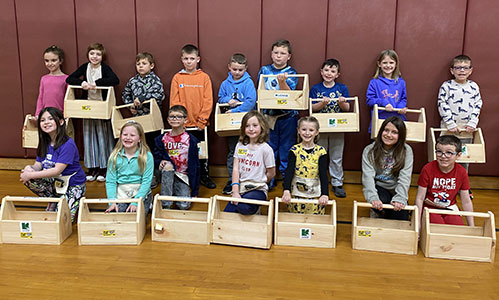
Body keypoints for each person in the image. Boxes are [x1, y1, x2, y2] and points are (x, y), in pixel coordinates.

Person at [20, 107, 86, 222]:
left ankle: (70, 200)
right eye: (42, 120)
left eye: (50, 119)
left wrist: (30, 175)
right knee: (30, 177)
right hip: (55, 183)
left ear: (60, 122)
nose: (46, 122)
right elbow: (38, 164)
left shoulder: (68, 144)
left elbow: (57, 170)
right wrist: (29, 169)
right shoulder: (44, 142)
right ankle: (53, 199)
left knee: (63, 220)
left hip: (72, 185)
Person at [66, 43, 119, 182]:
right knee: (89, 137)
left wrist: (97, 83)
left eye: (98, 54)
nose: (94, 57)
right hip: (87, 107)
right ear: (88, 55)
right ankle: (92, 168)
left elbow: (115, 80)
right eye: (92, 54)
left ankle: (105, 167)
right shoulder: (85, 67)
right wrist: (81, 83)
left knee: (103, 137)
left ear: (102, 56)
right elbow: (69, 79)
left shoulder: (105, 68)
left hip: (101, 107)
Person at [169, 44, 215, 189]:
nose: (189, 61)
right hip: (183, 125)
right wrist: (179, 121)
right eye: (186, 59)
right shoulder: (177, 78)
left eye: (192, 58)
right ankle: (186, 177)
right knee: (184, 153)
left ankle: (204, 175)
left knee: (202, 152)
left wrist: (202, 120)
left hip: (200, 125)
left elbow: (208, 100)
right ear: (182, 60)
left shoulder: (204, 77)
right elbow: (174, 101)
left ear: (198, 59)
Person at [437, 54, 482, 199]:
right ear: (452, 70)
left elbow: (477, 105)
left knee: (463, 160)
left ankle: (463, 188)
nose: (461, 70)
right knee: (444, 157)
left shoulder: (474, 87)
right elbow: (442, 104)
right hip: (448, 131)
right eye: (458, 68)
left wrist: (472, 123)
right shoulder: (446, 86)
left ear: (470, 70)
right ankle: (441, 186)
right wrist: (450, 123)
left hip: (466, 133)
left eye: (465, 68)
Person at [257, 39, 298, 188]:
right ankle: (270, 179)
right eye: (276, 53)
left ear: (289, 56)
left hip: (287, 117)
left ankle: (287, 181)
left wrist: (282, 82)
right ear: (271, 54)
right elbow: (260, 93)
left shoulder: (291, 73)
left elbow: (290, 96)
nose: (279, 56)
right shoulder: (265, 71)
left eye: (283, 53)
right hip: (269, 116)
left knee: (287, 148)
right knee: (269, 148)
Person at [310, 58, 350, 198]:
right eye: (326, 70)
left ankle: (337, 183)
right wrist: (321, 104)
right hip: (320, 128)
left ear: (337, 74)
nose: (329, 73)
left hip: (337, 128)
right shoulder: (315, 88)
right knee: (320, 154)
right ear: (321, 72)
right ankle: (318, 181)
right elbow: (312, 108)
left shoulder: (342, 88)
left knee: (336, 156)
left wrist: (342, 102)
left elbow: (347, 108)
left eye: (332, 71)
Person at [218, 53, 257, 194]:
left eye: (240, 70)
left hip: (247, 124)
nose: (237, 72)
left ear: (246, 69)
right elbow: (220, 98)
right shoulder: (225, 83)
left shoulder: (248, 83)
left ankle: (248, 180)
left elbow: (251, 101)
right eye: (234, 69)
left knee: (250, 151)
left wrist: (236, 110)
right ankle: (232, 180)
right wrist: (228, 100)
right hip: (230, 125)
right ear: (229, 67)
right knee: (233, 152)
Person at [414, 135, 474, 227]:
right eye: (439, 152)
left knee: (457, 229)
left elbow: (466, 201)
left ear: (458, 155)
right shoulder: (427, 169)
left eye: (449, 153)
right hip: (430, 208)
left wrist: (471, 226)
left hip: (449, 208)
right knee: (438, 228)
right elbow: (420, 198)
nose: (443, 156)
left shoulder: (461, 172)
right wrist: (417, 224)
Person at [361, 116, 413, 220]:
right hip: (379, 187)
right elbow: (368, 177)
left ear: (400, 135)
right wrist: (373, 198)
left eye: (394, 132)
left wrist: (400, 198)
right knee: (382, 202)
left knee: (400, 217)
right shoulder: (369, 150)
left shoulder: (406, 150)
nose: (389, 135)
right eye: (386, 130)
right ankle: (379, 212)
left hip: (396, 188)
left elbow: (405, 177)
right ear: (381, 131)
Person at [225, 111, 275, 215]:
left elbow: (271, 173)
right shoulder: (240, 145)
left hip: (258, 189)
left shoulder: (266, 149)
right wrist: (235, 191)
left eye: (255, 125)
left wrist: (260, 180)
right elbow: (235, 169)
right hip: (242, 188)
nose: (251, 129)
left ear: (262, 126)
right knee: (227, 213)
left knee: (244, 207)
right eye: (247, 126)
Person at [154, 105, 200, 210]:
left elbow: (196, 165)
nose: (175, 119)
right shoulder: (161, 139)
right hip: (167, 173)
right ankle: (166, 203)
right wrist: (160, 161)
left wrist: (195, 190)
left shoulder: (191, 140)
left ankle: (176, 190)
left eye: (179, 117)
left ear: (185, 119)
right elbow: (156, 157)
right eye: (172, 116)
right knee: (168, 166)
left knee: (184, 205)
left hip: (182, 176)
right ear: (168, 119)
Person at [281, 116, 329, 215]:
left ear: (316, 132)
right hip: (297, 193)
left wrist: (325, 194)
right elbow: (289, 171)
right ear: (298, 131)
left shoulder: (321, 152)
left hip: (315, 194)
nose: (307, 133)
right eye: (304, 129)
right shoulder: (294, 150)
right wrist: (286, 190)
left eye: (311, 130)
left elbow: (323, 174)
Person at [105, 121, 153, 216]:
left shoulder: (147, 156)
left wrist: (135, 202)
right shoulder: (114, 156)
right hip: (121, 192)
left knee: (136, 217)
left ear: (140, 138)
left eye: (132, 135)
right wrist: (112, 202)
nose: (128, 138)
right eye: (125, 134)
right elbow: (111, 181)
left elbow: (146, 181)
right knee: (118, 216)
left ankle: (148, 202)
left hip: (140, 192)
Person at [366, 49, 407, 133]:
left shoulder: (401, 82)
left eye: (391, 63)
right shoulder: (374, 82)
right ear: (379, 64)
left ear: (396, 64)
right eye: (385, 63)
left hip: (397, 122)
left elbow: (403, 99)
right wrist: (383, 103)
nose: (388, 65)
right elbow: (369, 100)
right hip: (380, 121)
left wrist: (400, 108)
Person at [33, 45, 68, 121]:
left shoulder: (66, 79)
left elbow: (68, 98)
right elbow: (40, 97)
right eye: (47, 61)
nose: (50, 63)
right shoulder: (44, 79)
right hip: (46, 116)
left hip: (60, 115)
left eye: (53, 60)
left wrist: (65, 115)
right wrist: (38, 114)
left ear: (60, 61)